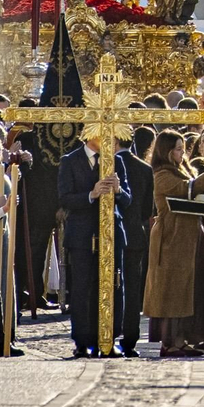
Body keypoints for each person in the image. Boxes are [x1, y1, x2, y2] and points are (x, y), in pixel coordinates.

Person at [143, 130, 204, 357]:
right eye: (178, 149)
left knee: (190, 289)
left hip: (189, 237)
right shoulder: (162, 175)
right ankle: (170, 342)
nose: (182, 153)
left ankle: (182, 339)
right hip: (172, 238)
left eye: (182, 149)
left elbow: (199, 187)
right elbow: (187, 189)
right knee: (173, 290)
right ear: (166, 151)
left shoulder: (180, 170)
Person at [56, 134, 133, 358]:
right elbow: (65, 198)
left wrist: (118, 190)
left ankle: (109, 338)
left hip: (112, 233)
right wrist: (92, 194)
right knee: (82, 288)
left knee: (113, 285)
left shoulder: (117, 161)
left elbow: (128, 200)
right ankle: (82, 341)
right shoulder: (70, 161)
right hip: (82, 235)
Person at [118, 129, 155, 358]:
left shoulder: (106, 164)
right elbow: (147, 210)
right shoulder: (144, 168)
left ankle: (106, 333)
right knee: (132, 290)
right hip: (134, 233)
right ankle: (130, 339)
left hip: (112, 232)